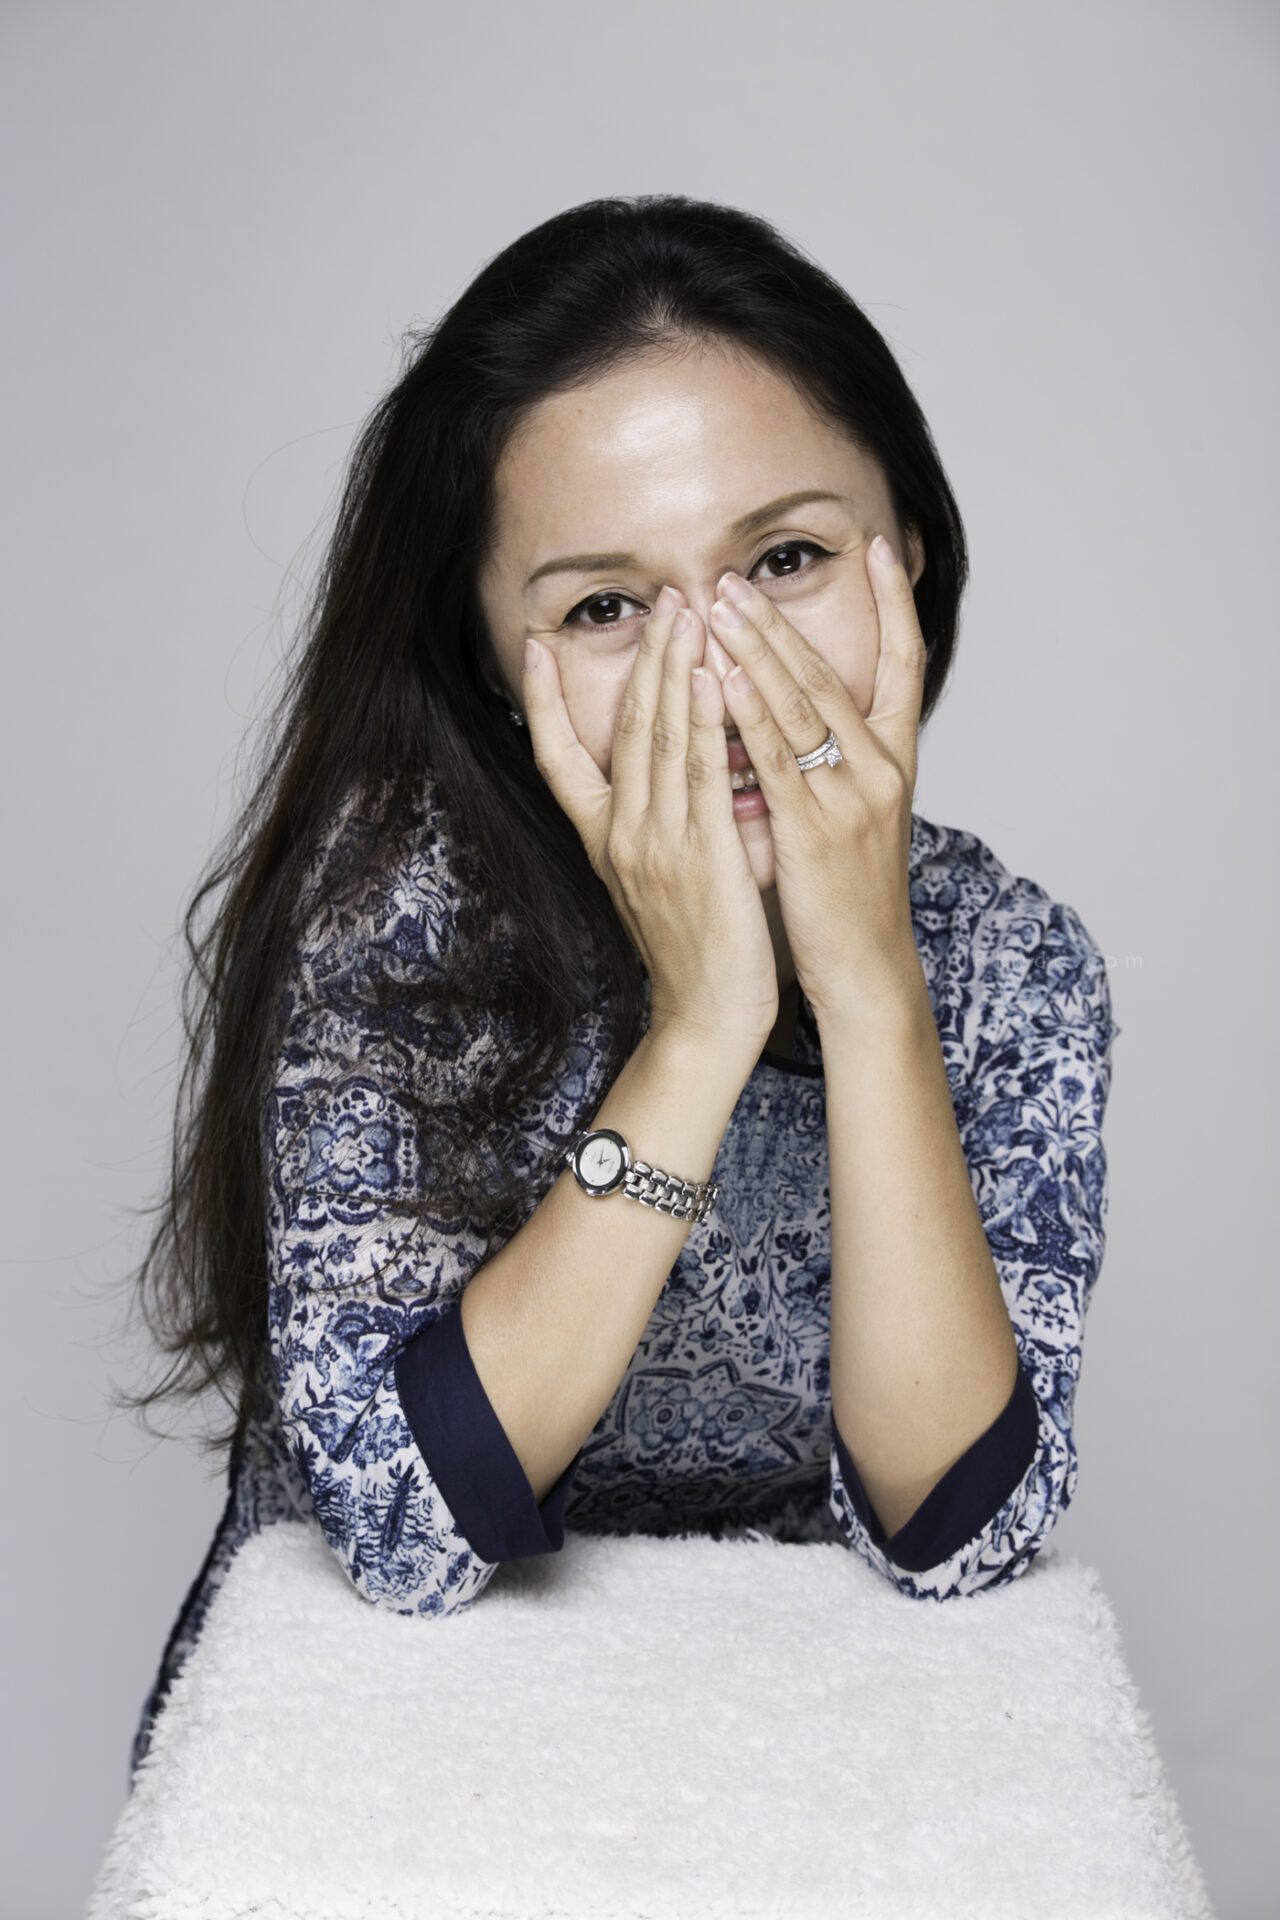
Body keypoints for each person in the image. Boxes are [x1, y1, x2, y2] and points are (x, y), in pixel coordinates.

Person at [125, 194, 1117, 1779]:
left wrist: (869, 979)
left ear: (909, 554)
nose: (713, 674)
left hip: (776, 1746)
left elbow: (959, 1533)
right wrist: (703, 1025)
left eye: (785, 558)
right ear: (492, 661)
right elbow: (401, 1521)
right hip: (379, 1756)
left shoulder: (1016, 960)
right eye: (603, 606)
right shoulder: (396, 924)